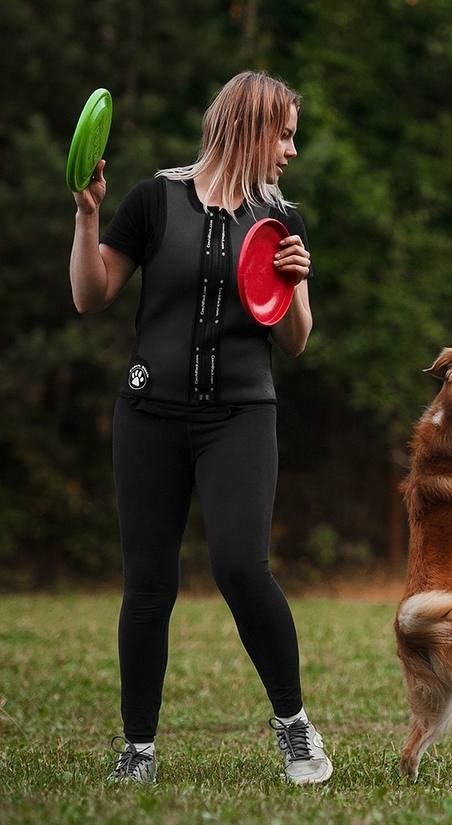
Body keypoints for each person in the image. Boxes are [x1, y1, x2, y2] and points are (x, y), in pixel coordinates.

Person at [68, 71, 329, 785]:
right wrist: (88, 215)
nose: (292, 150)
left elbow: (296, 342)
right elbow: (91, 296)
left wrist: (298, 285)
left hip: (240, 417)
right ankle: (138, 749)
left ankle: (294, 725)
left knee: (242, 567)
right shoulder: (154, 200)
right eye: (285, 134)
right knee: (148, 584)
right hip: (149, 416)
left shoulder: (281, 222)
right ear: (250, 127)